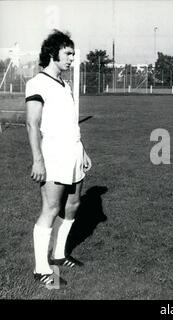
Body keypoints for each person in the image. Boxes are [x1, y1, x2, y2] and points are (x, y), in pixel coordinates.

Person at [26, 30, 92, 287]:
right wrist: (37, 160)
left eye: (73, 55)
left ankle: (59, 254)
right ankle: (41, 269)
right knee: (51, 208)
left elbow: (70, 123)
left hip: (74, 151)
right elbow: (32, 124)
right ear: (53, 53)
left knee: (73, 204)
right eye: (68, 54)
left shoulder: (65, 85)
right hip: (53, 153)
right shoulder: (37, 83)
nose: (72, 59)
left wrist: (83, 150)